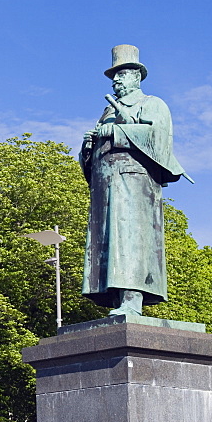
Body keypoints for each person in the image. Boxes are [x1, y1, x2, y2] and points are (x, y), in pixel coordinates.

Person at [80, 44, 188, 316]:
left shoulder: (152, 104)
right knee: (107, 242)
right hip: (106, 184)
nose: (115, 80)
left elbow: (158, 139)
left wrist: (115, 132)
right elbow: (95, 151)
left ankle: (132, 301)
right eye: (113, 76)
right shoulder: (106, 112)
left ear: (137, 76)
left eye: (121, 74)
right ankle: (118, 300)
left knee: (129, 240)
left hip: (134, 184)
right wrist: (89, 148)